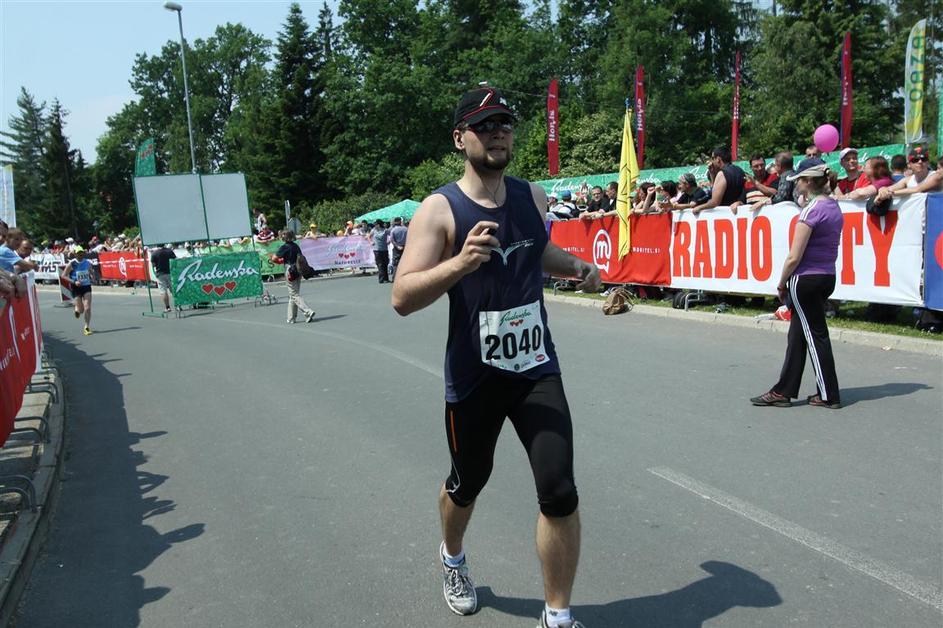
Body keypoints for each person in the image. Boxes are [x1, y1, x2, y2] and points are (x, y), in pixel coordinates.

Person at [391, 87, 599, 628]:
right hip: (475, 377)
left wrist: (576, 266)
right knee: (468, 482)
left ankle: (557, 616)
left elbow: (536, 250)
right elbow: (402, 296)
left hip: (535, 368)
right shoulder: (439, 210)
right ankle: (452, 557)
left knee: (559, 489)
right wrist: (460, 263)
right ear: (460, 138)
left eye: (504, 123)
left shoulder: (533, 197)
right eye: (483, 125)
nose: (497, 132)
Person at [751, 163, 842, 409]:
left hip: (806, 279)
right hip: (826, 275)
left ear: (808, 182)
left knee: (815, 336)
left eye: (799, 180)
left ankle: (829, 394)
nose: (796, 184)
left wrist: (781, 283)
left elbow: (794, 256)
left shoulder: (812, 210)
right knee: (798, 335)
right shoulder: (833, 206)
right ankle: (784, 390)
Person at [271, 230, 315, 324]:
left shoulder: (284, 247)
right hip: (298, 270)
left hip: (290, 270)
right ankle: (291, 318)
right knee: (294, 294)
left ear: (284, 237)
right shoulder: (296, 246)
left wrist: (280, 261)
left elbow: (274, 258)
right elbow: (300, 258)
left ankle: (308, 311)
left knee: (294, 294)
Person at [875, 146, 943, 202]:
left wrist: (890, 193)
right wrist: (883, 189)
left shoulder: (936, 175)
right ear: (909, 165)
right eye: (915, 160)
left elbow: (917, 189)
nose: (920, 162)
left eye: (923, 159)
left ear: (928, 162)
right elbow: (890, 188)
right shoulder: (907, 180)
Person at [692, 146, 745, 215]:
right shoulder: (740, 170)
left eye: (712, 158)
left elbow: (715, 202)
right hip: (739, 213)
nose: (712, 161)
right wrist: (712, 174)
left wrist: (699, 207)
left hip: (725, 214)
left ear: (718, 159)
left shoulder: (722, 173)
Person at [61, 246, 95, 336]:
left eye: (81, 252)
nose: (80, 254)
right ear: (75, 254)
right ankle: (77, 309)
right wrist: (74, 282)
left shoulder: (87, 262)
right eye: (78, 253)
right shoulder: (72, 263)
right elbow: (63, 275)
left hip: (86, 286)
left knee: (87, 307)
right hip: (76, 287)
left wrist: (93, 277)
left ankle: (87, 327)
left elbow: (91, 272)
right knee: (81, 310)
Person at [151, 243, 177, 313]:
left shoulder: (154, 253)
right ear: (164, 245)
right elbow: (175, 261)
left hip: (160, 274)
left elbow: (153, 265)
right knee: (173, 290)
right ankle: (177, 306)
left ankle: (167, 307)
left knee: (163, 291)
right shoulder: (169, 251)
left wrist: (155, 274)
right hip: (170, 272)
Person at [370, 219, 391, 283]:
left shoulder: (385, 230)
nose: (374, 225)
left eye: (375, 224)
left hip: (384, 249)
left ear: (378, 225)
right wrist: (371, 241)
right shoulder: (373, 230)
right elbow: (368, 236)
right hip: (377, 249)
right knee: (380, 264)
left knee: (385, 264)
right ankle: (381, 279)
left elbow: (392, 235)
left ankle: (386, 278)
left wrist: (389, 241)